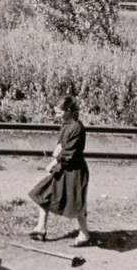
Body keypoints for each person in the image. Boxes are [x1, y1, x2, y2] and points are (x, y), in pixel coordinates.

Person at [28, 95, 91, 247]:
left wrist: (55, 159)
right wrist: (57, 149)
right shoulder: (66, 124)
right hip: (64, 168)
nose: (56, 116)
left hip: (75, 172)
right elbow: (61, 143)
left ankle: (84, 234)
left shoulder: (76, 127)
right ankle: (41, 228)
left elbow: (68, 154)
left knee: (77, 204)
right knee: (44, 193)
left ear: (68, 110)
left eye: (59, 112)